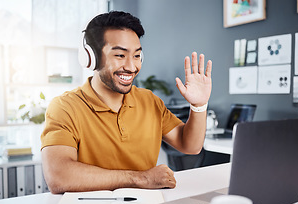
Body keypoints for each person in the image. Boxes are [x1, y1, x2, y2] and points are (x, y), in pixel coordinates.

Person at [41, 11, 212, 194]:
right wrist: (141, 178)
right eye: (120, 55)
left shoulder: (150, 101)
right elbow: (58, 177)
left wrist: (199, 106)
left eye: (137, 56)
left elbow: (191, 146)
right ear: (91, 58)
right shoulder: (65, 107)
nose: (131, 67)